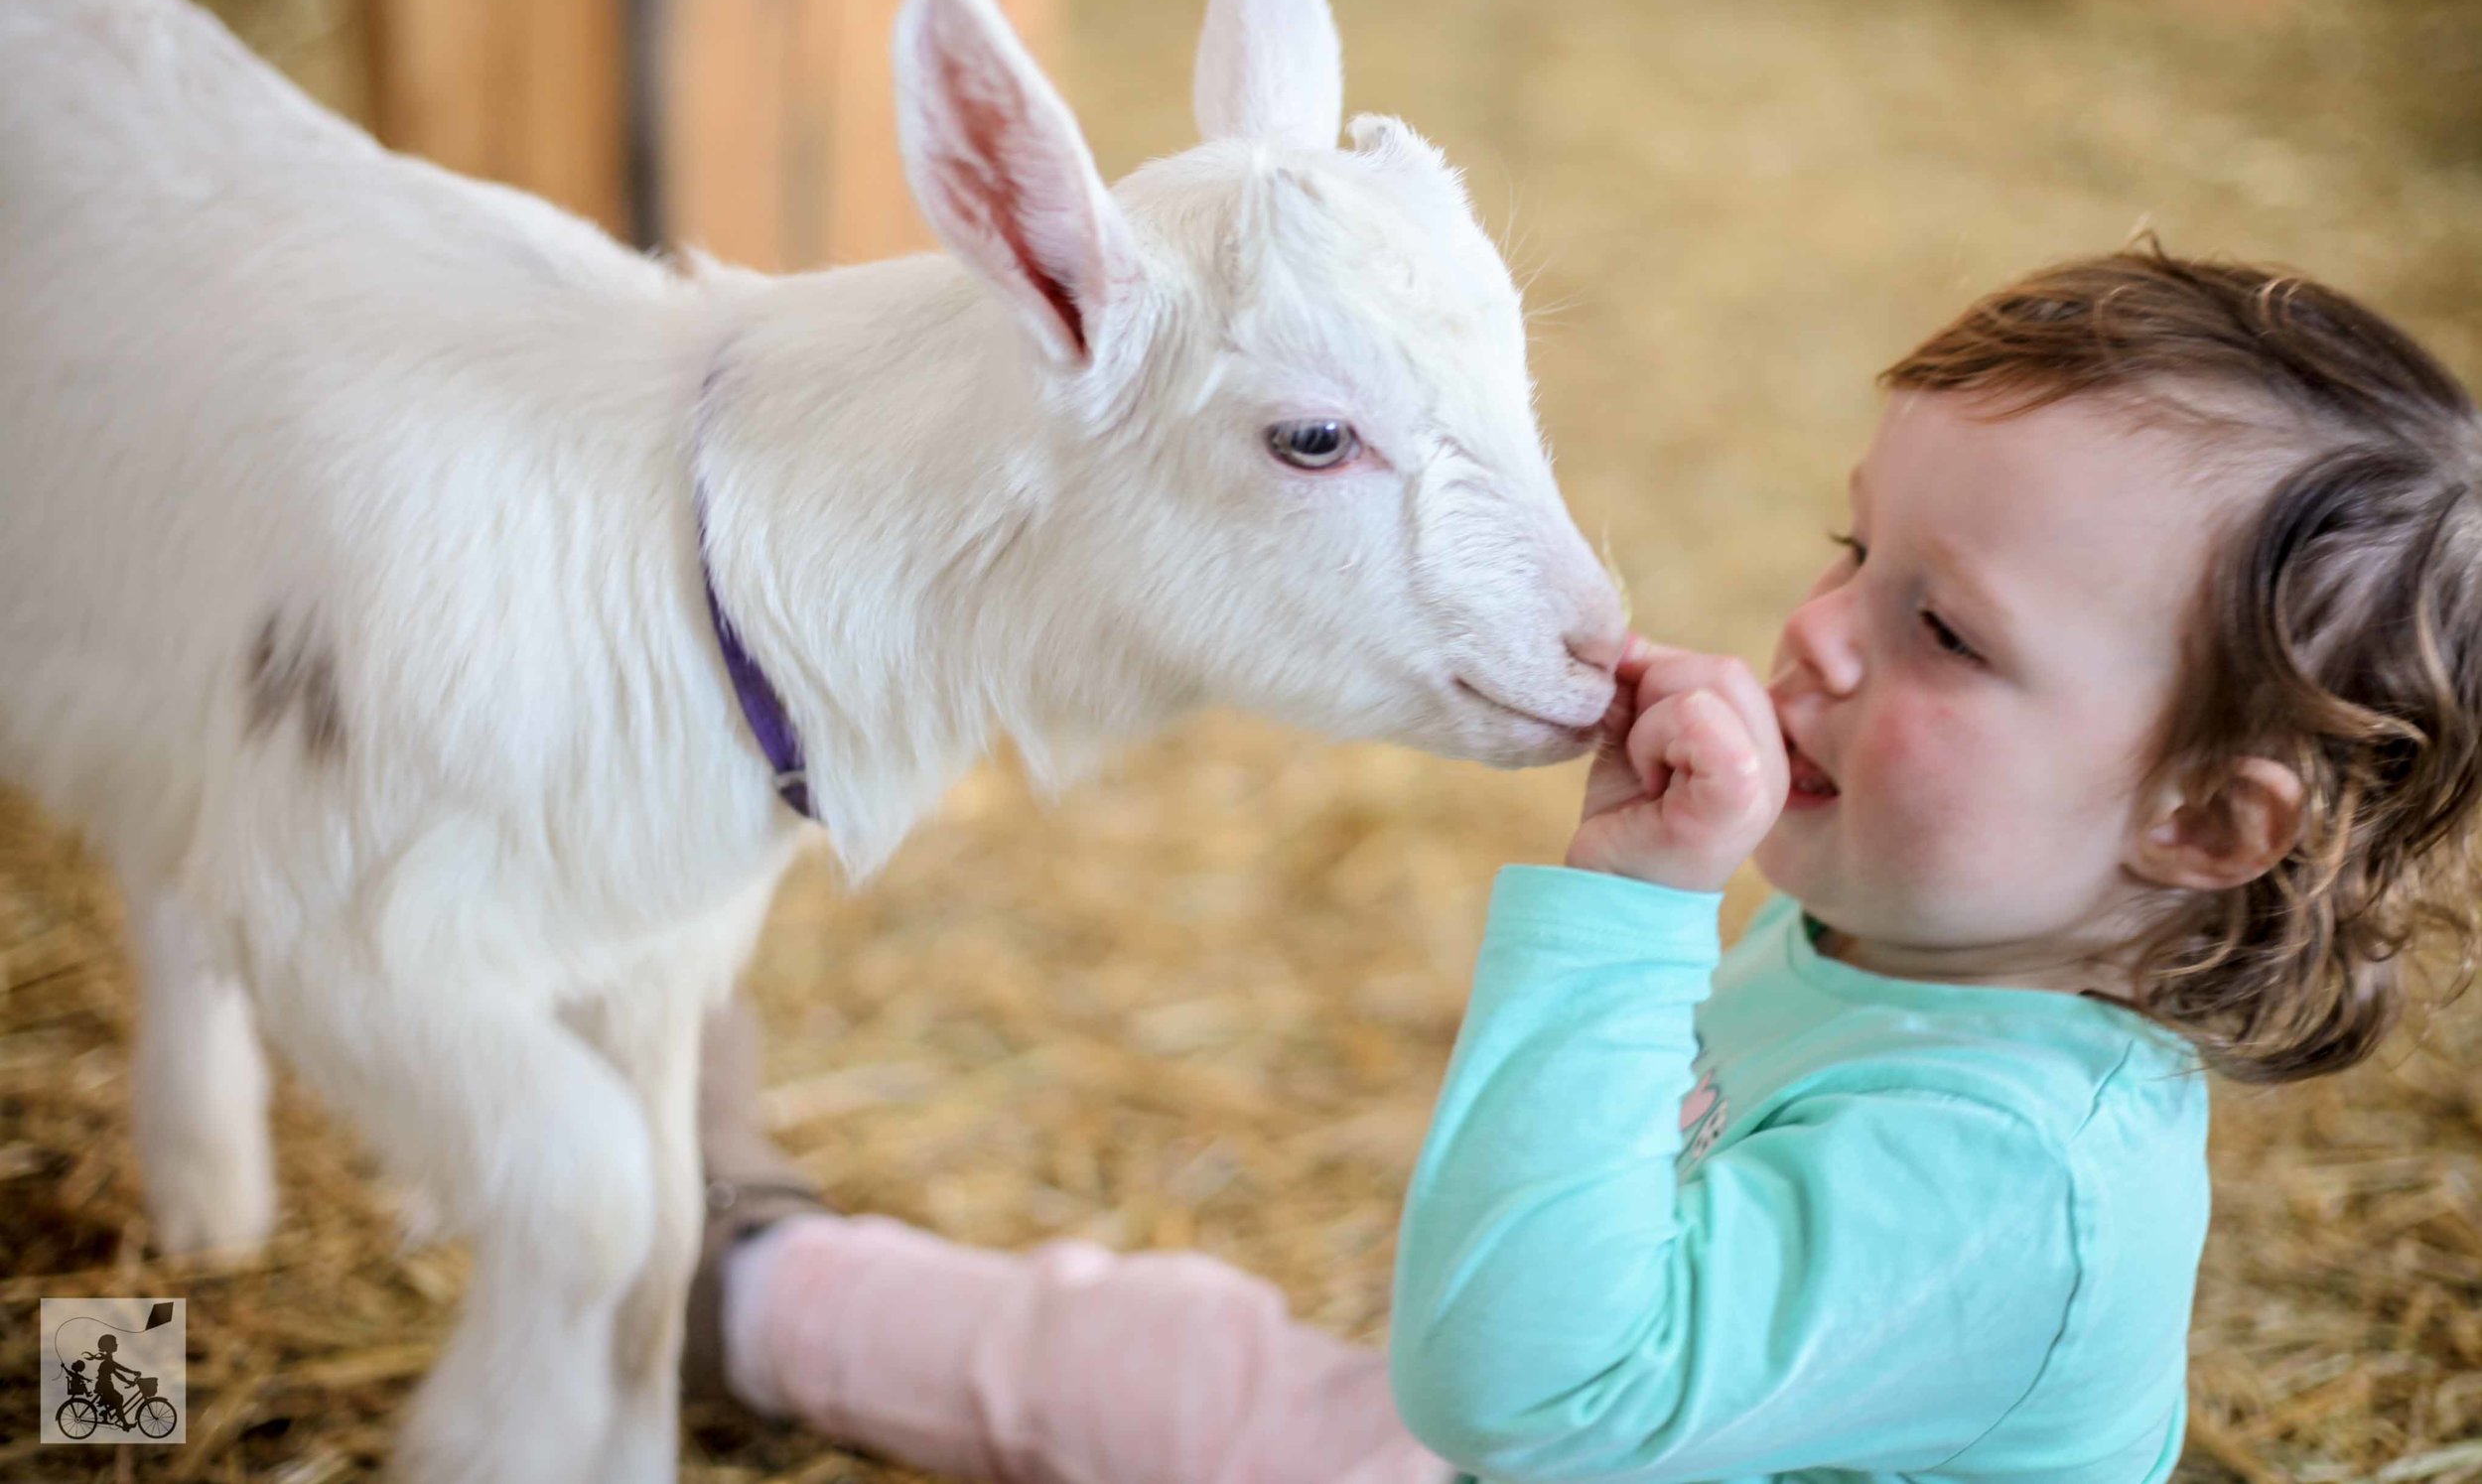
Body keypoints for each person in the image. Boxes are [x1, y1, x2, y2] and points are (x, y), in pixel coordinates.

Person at [684, 248, 2482, 1483]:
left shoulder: (2014, 1181)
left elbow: (1532, 1392)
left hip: (1532, 1425)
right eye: (1856, 551)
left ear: (2202, 822)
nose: (1819, 633)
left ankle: (755, 1290)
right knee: (1174, 1360)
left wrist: (1628, 918)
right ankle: (744, 1286)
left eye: (1941, 630)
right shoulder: (1927, 948)